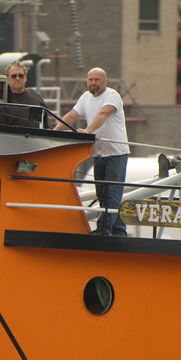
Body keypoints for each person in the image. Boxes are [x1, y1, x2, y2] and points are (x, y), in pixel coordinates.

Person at [54, 67, 130, 236]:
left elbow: (103, 114)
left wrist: (88, 131)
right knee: (102, 194)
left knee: (112, 193)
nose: (93, 83)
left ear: (105, 81)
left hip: (116, 153)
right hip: (98, 154)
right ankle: (119, 231)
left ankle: (103, 231)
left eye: (97, 80)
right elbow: (72, 116)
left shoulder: (112, 96)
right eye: (90, 80)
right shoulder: (85, 98)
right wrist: (54, 131)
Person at [0, 61, 50, 129]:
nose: (17, 78)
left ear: (25, 78)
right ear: (7, 79)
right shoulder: (2, 101)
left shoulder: (34, 95)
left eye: (21, 76)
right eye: (13, 76)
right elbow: (1, 130)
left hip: (35, 137)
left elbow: (46, 124)